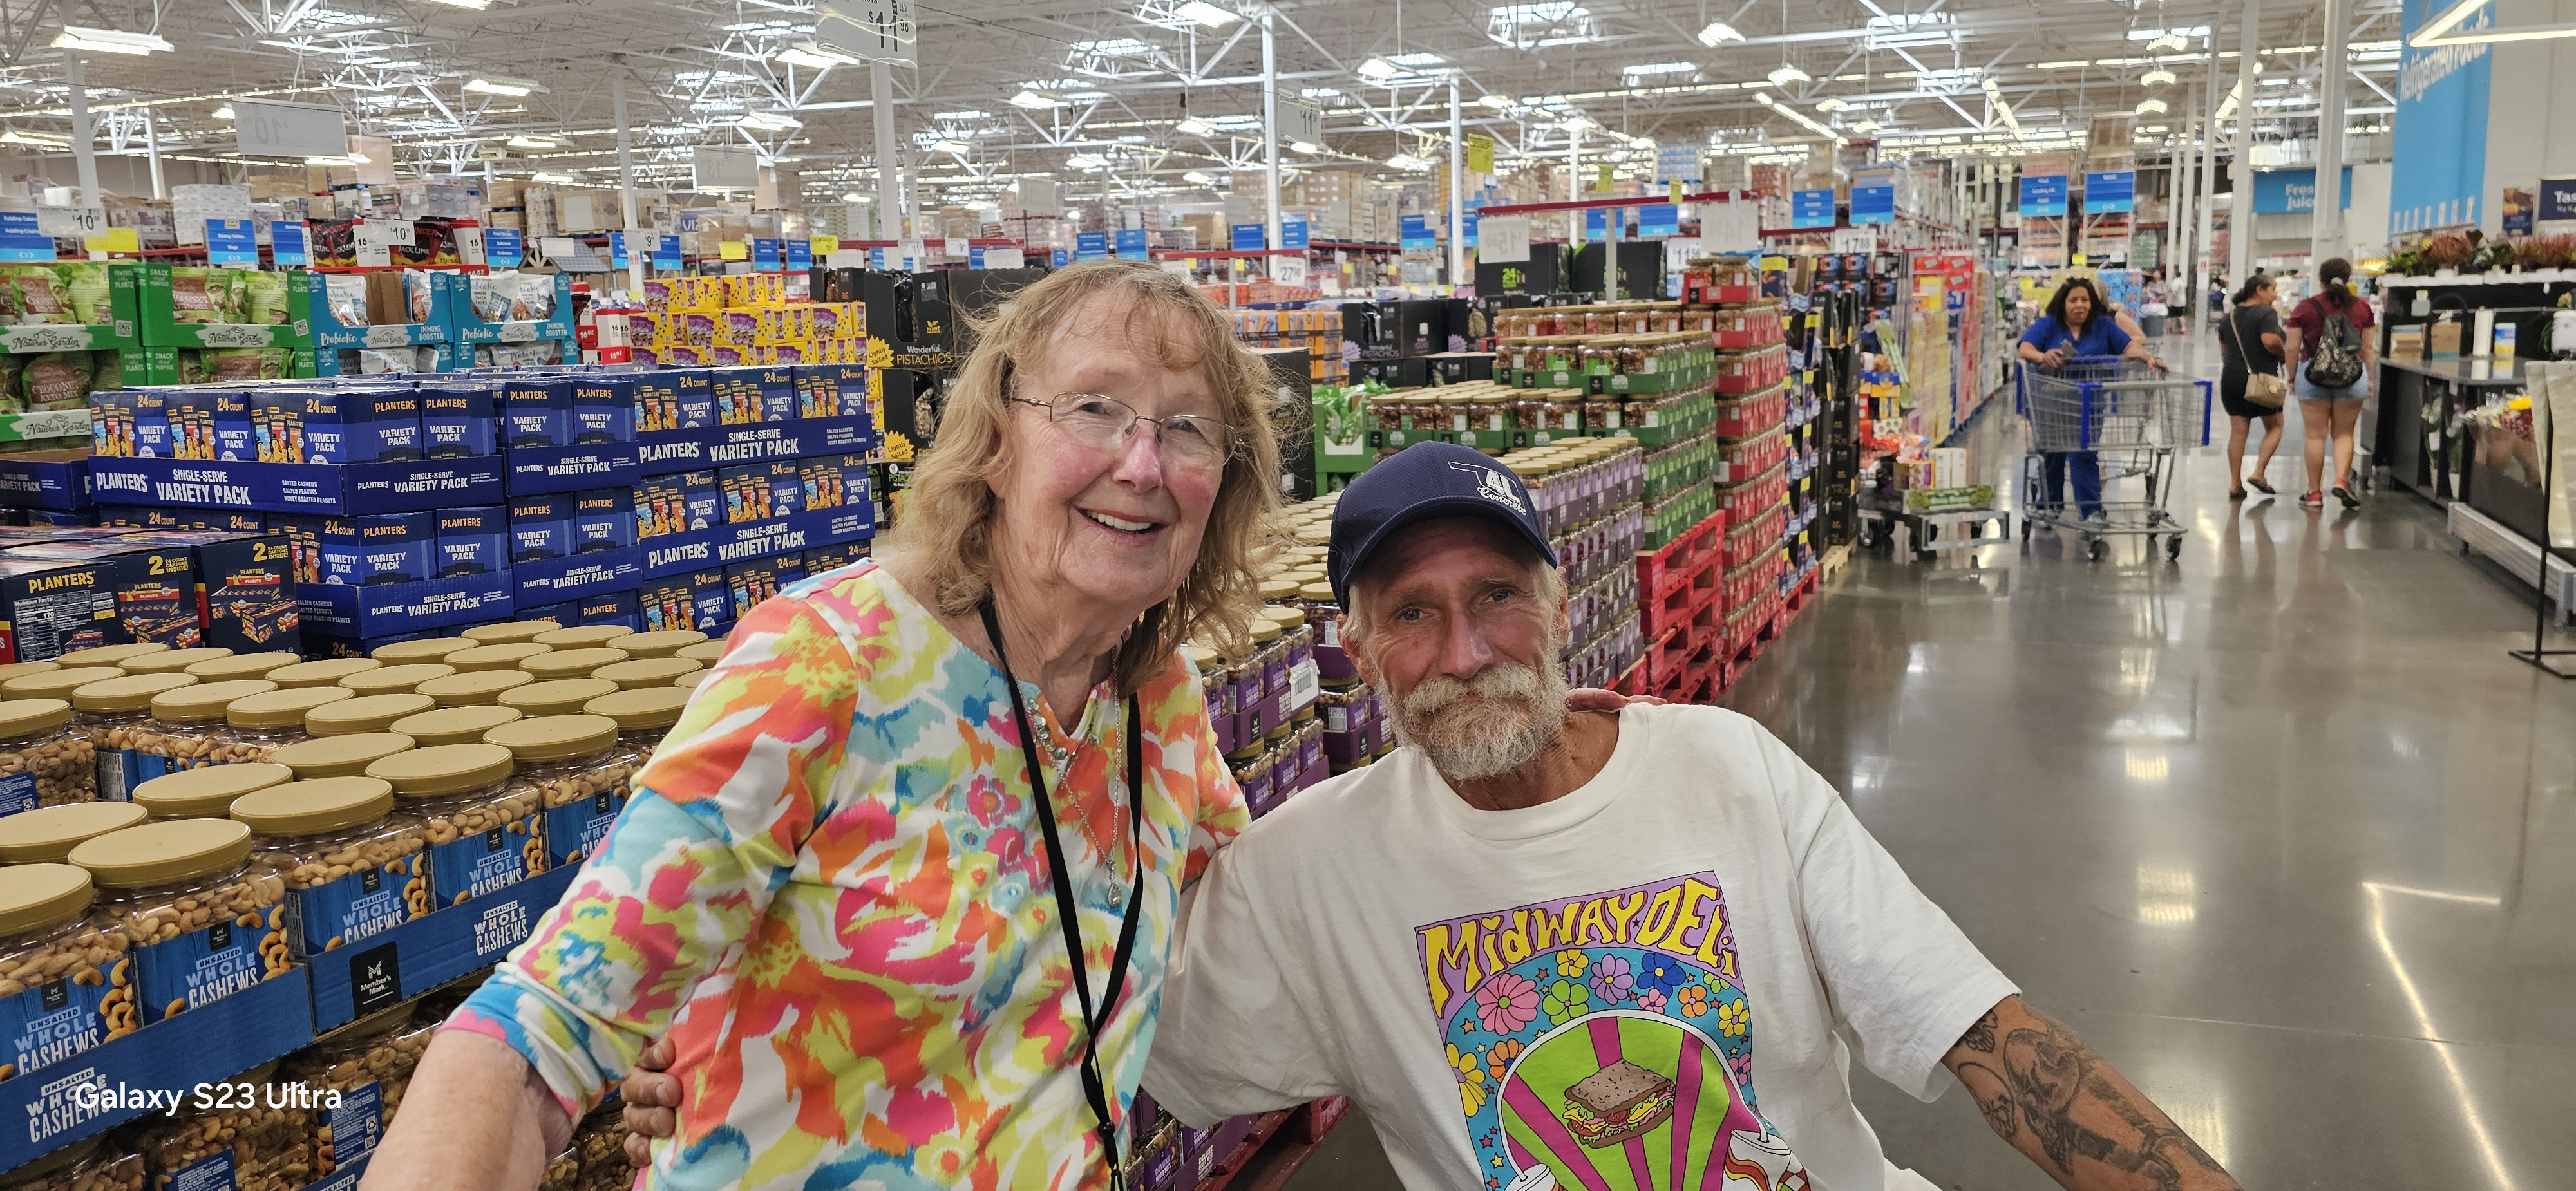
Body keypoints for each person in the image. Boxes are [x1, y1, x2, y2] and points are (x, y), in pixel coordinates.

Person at [629, 443, 2245, 1191]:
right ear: (1357, 650)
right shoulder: (1307, 868)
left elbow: (1989, 1045)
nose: (1460, 645)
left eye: (1492, 595)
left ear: (1561, 601)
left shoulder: (1728, 772)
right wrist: (737, 1057)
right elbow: (1049, 1041)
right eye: (1408, 613)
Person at [363, 259, 1289, 1191]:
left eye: (1187, 428)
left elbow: (1246, 911)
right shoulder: (827, 665)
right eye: (1094, 408)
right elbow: (537, 1031)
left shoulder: (1156, 696)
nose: (1142, 463)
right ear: (999, 441)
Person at [2016, 277, 2167, 520]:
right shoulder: (2048, 325)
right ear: (2063, 303)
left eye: (2085, 300)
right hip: (2051, 403)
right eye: (2073, 300)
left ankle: (2092, 510)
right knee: (2052, 454)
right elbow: (2025, 349)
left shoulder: (2103, 326)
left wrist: (2147, 356)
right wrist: (2043, 356)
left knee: (2084, 454)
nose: (2079, 305)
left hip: (2090, 404)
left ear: (2092, 303)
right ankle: (2048, 505)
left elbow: (2128, 346)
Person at [2282, 256, 2378, 510]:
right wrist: (2370, 379)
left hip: (2312, 376)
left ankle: (2314, 493)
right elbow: (2368, 349)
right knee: (2344, 434)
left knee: (2315, 435)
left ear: (2320, 280)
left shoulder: (2304, 307)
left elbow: (2291, 347)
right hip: (2352, 377)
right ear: (2349, 280)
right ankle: (2340, 481)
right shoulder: (2362, 308)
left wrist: (2291, 376)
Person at [2216, 272, 2287, 499]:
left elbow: (2224, 351)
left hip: (2231, 379)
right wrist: (2282, 354)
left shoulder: (2230, 316)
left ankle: (2235, 484)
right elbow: (2270, 341)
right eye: (2273, 289)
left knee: (2238, 432)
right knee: (2275, 426)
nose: (2275, 295)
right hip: (2261, 380)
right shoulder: (2266, 313)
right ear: (2259, 289)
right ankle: (2258, 473)